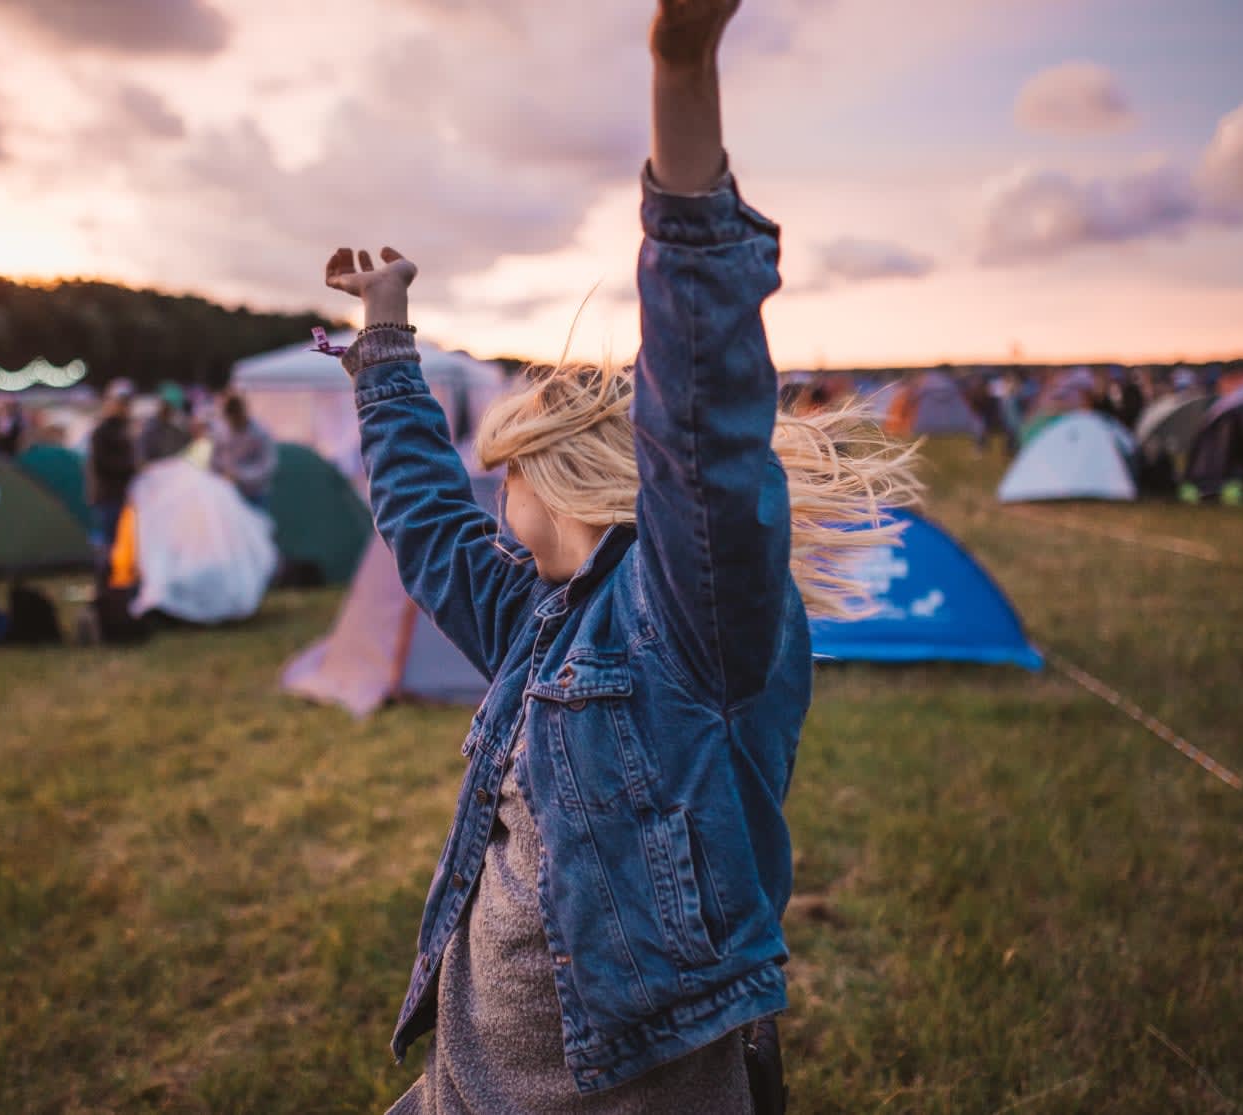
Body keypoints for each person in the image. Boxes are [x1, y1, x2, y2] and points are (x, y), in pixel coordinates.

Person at [325, 3, 918, 1110]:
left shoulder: (688, 621)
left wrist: (679, 73)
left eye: (501, 468)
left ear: (554, 476)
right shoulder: (537, 617)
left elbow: (703, 401)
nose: (485, 497)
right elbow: (420, 521)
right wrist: (385, 341)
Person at [87, 381, 137, 561]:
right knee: (109, 542)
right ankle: (106, 580)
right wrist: (131, 466)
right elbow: (103, 464)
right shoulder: (103, 432)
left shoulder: (125, 430)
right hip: (109, 495)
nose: (125, 407)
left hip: (123, 495)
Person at [211, 393, 278, 508]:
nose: (234, 422)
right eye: (230, 418)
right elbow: (215, 460)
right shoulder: (221, 431)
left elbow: (267, 466)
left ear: (243, 412)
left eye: (237, 417)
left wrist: (240, 475)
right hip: (228, 492)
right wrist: (220, 476)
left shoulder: (260, 433)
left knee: (255, 524)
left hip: (253, 493)